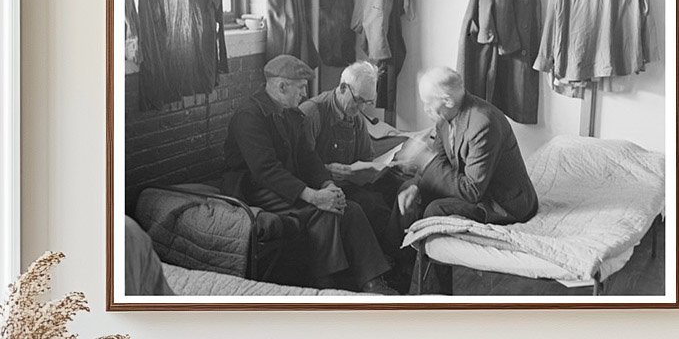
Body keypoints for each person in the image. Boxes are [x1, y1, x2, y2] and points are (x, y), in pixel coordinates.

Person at [222, 54, 395, 293]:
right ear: (282, 86)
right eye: (301, 88)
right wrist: (313, 196)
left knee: (349, 208)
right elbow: (265, 171)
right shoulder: (250, 116)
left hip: (285, 186)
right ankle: (326, 286)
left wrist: (326, 185)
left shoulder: (291, 114)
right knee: (322, 213)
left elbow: (308, 158)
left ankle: (372, 282)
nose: (305, 94)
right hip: (255, 189)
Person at [397, 67, 538, 226]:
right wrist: (417, 187)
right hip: (473, 185)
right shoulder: (445, 116)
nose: (425, 109)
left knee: (435, 210)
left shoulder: (483, 125)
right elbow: (441, 161)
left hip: (502, 201)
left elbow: (472, 191)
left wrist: (426, 159)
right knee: (407, 189)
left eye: (428, 103)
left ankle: (413, 248)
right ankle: (395, 249)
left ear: (448, 101)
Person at [299, 61, 403, 247]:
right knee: (371, 204)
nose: (361, 108)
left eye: (367, 102)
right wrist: (327, 170)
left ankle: (400, 253)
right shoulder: (312, 112)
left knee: (397, 187)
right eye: (358, 100)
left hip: (350, 183)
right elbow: (299, 164)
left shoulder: (356, 117)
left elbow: (366, 158)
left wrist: (371, 170)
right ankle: (391, 257)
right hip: (321, 188)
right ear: (342, 87)